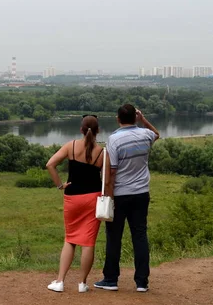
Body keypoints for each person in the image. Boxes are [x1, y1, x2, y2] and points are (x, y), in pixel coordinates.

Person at [94, 104, 160, 293]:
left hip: (121, 195)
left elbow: (112, 172)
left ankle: (111, 279)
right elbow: (157, 134)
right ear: (135, 117)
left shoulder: (113, 140)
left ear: (118, 119)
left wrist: (108, 196)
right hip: (141, 193)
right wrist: (144, 120)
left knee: (114, 237)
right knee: (140, 236)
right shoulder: (145, 135)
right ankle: (142, 282)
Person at [45, 115, 106, 293]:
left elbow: (50, 164)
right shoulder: (102, 153)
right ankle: (82, 284)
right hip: (93, 199)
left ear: (81, 130)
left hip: (72, 197)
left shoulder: (70, 146)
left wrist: (60, 185)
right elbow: (107, 179)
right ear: (98, 131)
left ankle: (60, 281)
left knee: (70, 239)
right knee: (88, 242)